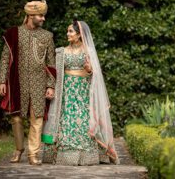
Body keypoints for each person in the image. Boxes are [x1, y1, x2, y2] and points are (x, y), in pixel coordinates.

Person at [42, 20, 119, 165]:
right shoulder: (61, 52)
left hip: (83, 90)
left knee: (84, 120)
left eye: (70, 31)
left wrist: (90, 69)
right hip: (66, 91)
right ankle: (64, 156)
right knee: (66, 119)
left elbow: (95, 74)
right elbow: (55, 72)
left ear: (79, 34)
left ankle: (86, 155)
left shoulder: (88, 51)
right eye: (68, 31)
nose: (67, 34)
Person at [0, 0, 56, 165]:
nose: (43, 19)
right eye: (40, 15)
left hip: (39, 82)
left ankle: (33, 154)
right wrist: (2, 81)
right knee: (16, 118)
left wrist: (50, 85)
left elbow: (51, 63)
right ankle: (19, 149)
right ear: (30, 15)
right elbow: (5, 59)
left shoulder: (47, 36)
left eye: (43, 15)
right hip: (17, 81)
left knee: (37, 118)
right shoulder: (14, 33)